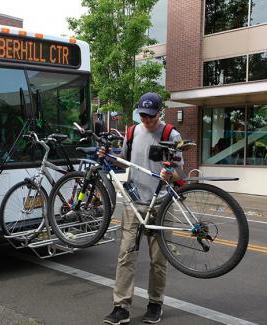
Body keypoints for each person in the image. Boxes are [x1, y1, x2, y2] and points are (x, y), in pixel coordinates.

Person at [102, 92, 185, 325]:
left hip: (162, 204)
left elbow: (181, 175)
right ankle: (121, 307)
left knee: (159, 260)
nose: (146, 120)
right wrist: (107, 156)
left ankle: (155, 303)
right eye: (142, 115)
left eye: (150, 116)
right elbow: (123, 160)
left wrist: (171, 174)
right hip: (134, 202)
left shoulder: (171, 134)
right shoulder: (132, 132)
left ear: (160, 112)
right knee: (126, 255)